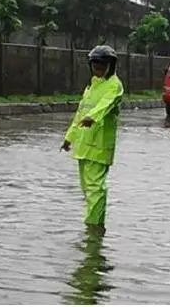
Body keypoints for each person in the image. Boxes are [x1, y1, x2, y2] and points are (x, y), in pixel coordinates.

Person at [60, 45, 124, 229]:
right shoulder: (90, 87)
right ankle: (91, 224)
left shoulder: (114, 86)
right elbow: (80, 113)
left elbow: (105, 105)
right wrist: (68, 138)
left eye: (102, 64)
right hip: (83, 145)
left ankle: (94, 228)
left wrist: (92, 118)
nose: (98, 68)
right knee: (87, 190)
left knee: (96, 189)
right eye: (94, 64)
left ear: (110, 65)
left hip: (99, 146)